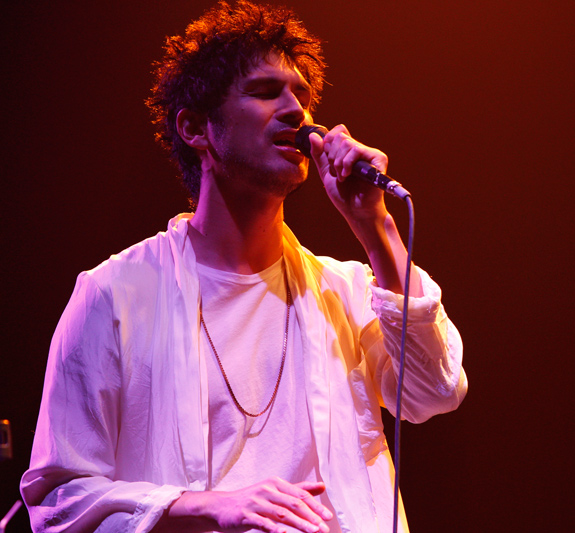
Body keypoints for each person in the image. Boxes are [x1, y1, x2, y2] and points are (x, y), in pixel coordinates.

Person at [19, 2, 467, 532]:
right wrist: (208, 506)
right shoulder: (115, 294)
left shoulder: (345, 291)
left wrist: (375, 226)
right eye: (264, 92)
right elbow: (59, 501)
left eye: (303, 95)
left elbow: (435, 391)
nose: (297, 111)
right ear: (196, 127)